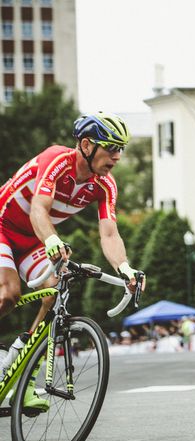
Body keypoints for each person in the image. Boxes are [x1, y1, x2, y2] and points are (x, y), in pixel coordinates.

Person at [0, 113, 145, 410]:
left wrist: (124, 268)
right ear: (87, 145)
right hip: (4, 226)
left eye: (122, 150)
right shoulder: (57, 160)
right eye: (112, 148)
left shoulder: (105, 185)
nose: (117, 156)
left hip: (32, 240)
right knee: (8, 294)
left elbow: (109, 234)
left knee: (55, 291)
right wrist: (52, 240)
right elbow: (38, 209)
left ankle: (23, 380)